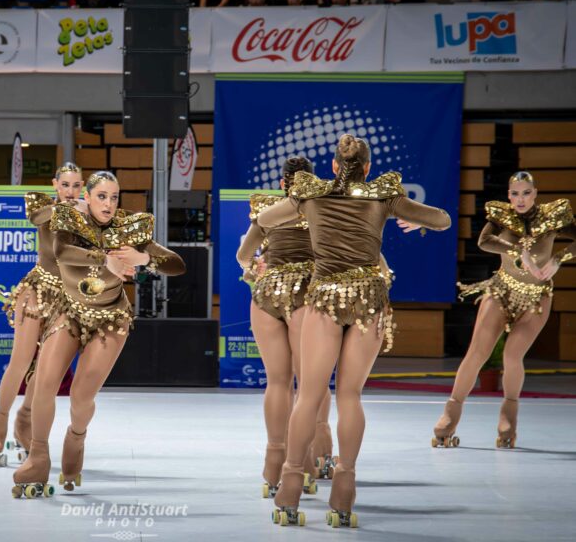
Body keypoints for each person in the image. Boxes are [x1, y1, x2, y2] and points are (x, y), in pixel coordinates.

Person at [258, 134, 451, 527]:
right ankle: (344, 491)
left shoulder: (311, 195)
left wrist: (301, 212)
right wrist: (412, 220)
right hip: (369, 301)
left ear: (332, 166)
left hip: (325, 297)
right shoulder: (384, 197)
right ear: (367, 167)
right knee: (350, 395)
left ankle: (291, 485)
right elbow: (443, 219)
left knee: (309, 395)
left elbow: (264, 220)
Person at [11, 171, 186, 498]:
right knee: (44, 383)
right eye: (101, 196)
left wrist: (144, 257)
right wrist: (106, 259)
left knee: (80, 397)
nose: (108, 203)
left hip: (110, 319)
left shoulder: (128, 227)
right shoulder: (67, 218)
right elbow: (63, 252)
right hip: (70, 311)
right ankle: (38, 457)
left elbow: (177, 264)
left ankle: (76, 438)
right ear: (87, 198)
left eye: (114, 197)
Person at [433, 172, 575, 449]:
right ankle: (450, 414)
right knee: (477, 352)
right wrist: (516, 251)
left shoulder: (552, 216)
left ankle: (508, 417)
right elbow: (484, 241)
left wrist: (559, 258)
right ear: (509, 195)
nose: (520, 199)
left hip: (536, 298)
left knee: (512, 355)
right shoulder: (501, 215)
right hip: (502, 291)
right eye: (515, 194)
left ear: (535, 193)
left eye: (526, 193)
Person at [236, 157, 329, 498]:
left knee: (277, 381)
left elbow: (243, 256)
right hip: (306, 292)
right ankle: (303, 461)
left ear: (282, 184)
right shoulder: (322, 210)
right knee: (309, 384)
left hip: (267, 291)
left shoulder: (268, 210)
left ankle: (272, 464)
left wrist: (257, 267)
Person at [0, 163, 84, 468]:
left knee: (47, 371)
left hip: (69, 299)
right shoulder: (42, 204)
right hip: (37, 290)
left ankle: (25, 419)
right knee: (21, 359)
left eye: (77, 185)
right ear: (55, 184)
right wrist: (71, 209)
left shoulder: (88, 212)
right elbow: (37, 217)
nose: (71, 191)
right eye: (65, 185)